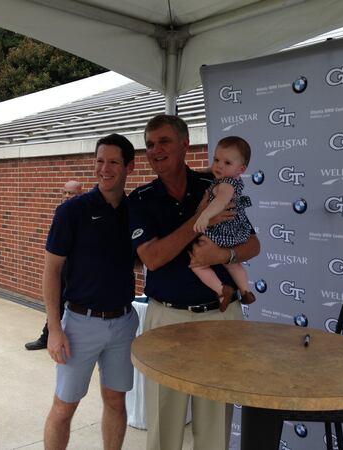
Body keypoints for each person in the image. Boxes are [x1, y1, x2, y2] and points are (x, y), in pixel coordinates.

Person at [128, 115, 260, 450]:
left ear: (186, 144)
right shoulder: (140, 199)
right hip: (165, 318)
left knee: (214, 424)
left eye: (164, 141)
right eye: (149, 144)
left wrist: (223, 256)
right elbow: (153, 257)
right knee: (164, 421)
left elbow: (252, 245)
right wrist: (198, 218)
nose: (155, 150)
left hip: (219, 317)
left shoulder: (215, 186)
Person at [44, 133, 138, 450]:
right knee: (64, 406)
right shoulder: (72, 212)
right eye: (99, 161)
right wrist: (55, 329)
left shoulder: (135, 211)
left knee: (115, 400)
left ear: (129, 167)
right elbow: (51, 271)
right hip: (80, 324)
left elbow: (140, 258)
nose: (104, 168)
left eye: (113, 162)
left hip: (123, 322)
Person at [192, 136, 256, 311]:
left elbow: (220, 201)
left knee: (198, 264)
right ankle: (246, 291)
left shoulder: (226, 185)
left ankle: (221, 290)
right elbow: (213, 171)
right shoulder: (231, 179)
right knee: (233, 264)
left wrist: (204, 216)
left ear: (241, 169)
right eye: (216, 159)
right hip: (234, 232)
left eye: (227, 163)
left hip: (221, 231)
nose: (219, 165)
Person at [25, 180, 83, 351]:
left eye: (70, 193)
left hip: (79, 267)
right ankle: (48, 336)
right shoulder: (61, 211)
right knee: (57, 301)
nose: (66, 196)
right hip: (62, 266)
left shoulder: (86, 211)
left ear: (80, 192)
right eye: (64, 193)